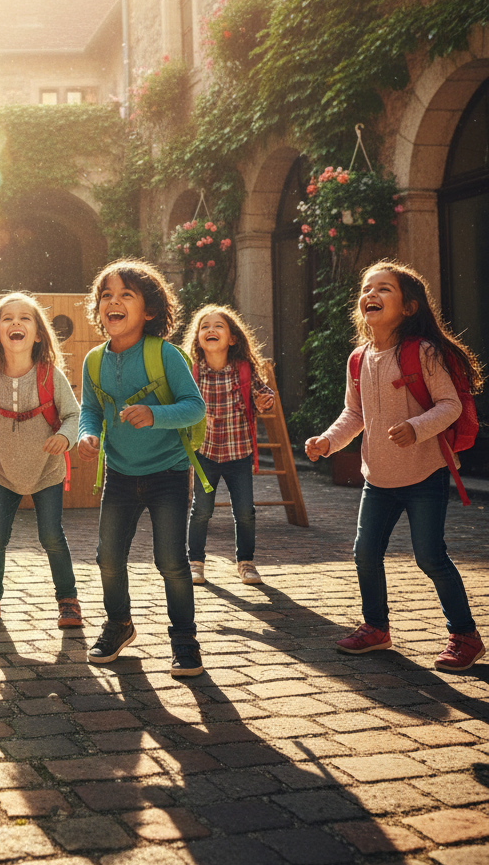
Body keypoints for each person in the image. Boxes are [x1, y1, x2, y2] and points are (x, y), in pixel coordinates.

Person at [306, 260, 484, 672]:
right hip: (378, 478)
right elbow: (355, 413)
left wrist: (416, 427)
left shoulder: (423, 351)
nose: (371, 294)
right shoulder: (358, 358)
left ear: (409, 307)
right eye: (367, 288)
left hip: (426, 474)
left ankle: (465, 635)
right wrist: (328, 441)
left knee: (430, 557)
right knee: (365, 553)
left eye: (384, 288)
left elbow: (450, 405)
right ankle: (376, 627)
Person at [77, 259, 206, 674]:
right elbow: (90, 409)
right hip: (119, 474)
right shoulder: (93, 360)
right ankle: (119, 624)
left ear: (149, 310)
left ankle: (184, 640)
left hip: (168, 474)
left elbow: (194, 406)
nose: (112, 302)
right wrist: (88, 434)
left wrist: (155, 415)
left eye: (125, 295)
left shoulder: (165, 355)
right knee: (107, 558)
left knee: (171, 561)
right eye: (106, 296)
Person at [0, 292, 82, 629]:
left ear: (39, 333)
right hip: (3, 469)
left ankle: (68, 601)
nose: (15, 323)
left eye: (24, 318)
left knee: (51, 537)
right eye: (7, 318)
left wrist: (65, 437)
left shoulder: (50, 375)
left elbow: (73, 414)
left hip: (47, 470)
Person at [182, 304, 275, 586]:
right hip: (204, 453)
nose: (211, 330)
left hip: (238, 453)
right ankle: (195, 562)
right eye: (204, 326)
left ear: (232, 338)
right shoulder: (192, 372)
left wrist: (264, 400)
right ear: (197, 338)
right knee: (201, 510)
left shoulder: (244, 370)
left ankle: (246, 562)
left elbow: (264, 393)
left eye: (218, 326)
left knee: (245, 510)